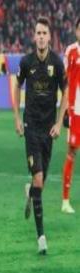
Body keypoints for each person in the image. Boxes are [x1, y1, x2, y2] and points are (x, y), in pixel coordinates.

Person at [12, 17, 67, 255]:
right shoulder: (26, 62)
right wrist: (17, 117)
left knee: (39, 184)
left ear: (49, 36)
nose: (41, 37)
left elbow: (66, 91)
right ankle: (41, 237)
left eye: (45, 33)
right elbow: (16, 86)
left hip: (48, 130)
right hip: (31, 127)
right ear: (34, 37)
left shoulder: (57, 63)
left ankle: (30, 192)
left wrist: (59, 122)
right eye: (38, 33)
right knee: (38, 178)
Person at [61, 17, 80, 214]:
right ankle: (65, 201)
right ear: (76, 31)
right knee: (72, 152)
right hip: (76, 112)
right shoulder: (71, 51)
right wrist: (66, 109)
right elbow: (64, 82)